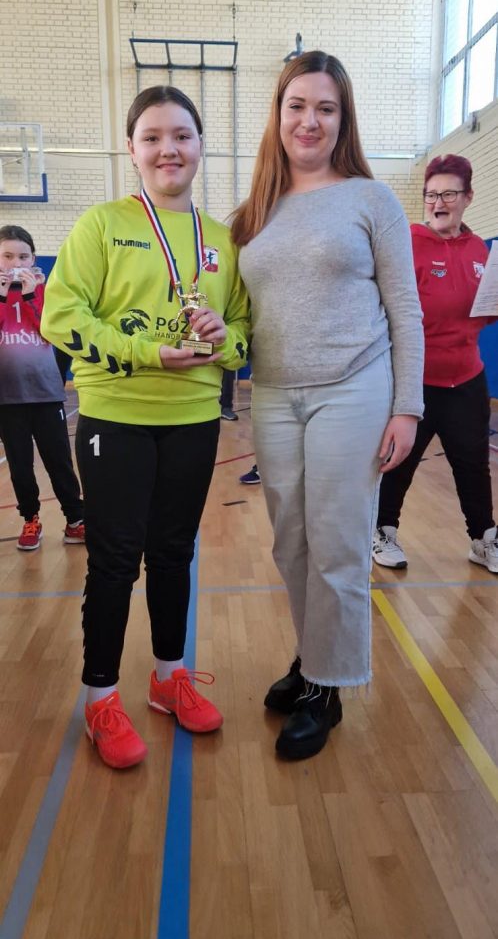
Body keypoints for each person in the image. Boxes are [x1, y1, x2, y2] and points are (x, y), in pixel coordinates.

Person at [41, 85, 249, 770]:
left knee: (173, 552)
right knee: (113, 558)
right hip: (116, 416)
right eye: (153, 137)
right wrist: (146, 352)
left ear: (200, 145)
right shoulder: (101, 226)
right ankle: (101, 697)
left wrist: (223, 338)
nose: (169, 149)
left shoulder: (222, 240)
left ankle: (168, 677)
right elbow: (61, 317)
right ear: (131, 149)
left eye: (182, 135)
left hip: (193, 417)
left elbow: (245, 334)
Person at [231, 50, 424, 760]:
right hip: (275, 392)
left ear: (343, 119)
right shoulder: (254, 212)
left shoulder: (372, 200)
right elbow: (241, 314)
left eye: (325, 108)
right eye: (297, 106)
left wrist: (407, 406)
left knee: (338, 540)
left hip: (355, 385)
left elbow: (405, 309)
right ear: (278, 115)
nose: (309, 120)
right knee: (291, 542)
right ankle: (314, 657)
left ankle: (327, 686)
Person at [373, 154, 498, 574]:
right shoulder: (406, 243)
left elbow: (480, 314)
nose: (438, 203)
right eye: (431, 195)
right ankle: (382, 531)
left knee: (473, 464)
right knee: (399, 461)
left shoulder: (479, 248)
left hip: (467, 378)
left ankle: (483, 538)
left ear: (468, 197)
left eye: (448, 194)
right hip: (415, 378)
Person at [0, 224, 85, 551]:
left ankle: (75, 519)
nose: (16, 263)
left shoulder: (46, 292)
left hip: (46, 393)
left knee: (59, 461)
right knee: (20, 465)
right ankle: (30, 518)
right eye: (8, 256)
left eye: (23, 256)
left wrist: (31, 294)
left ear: (33, 258)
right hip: (8, 398)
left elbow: (50, 332)